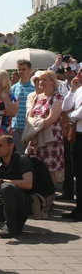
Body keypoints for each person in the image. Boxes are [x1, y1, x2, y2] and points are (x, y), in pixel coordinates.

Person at [26, 70, 65, 185]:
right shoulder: (37, 97)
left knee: (50, 171)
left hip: (50, 139)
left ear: (53, 82)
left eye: (44, 79)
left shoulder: (58, 97)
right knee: (34, 167)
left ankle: (49, 199)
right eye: (40, 79)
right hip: (36, 138)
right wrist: (35, 128)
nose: (41, 82)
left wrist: (36, 126)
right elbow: (29, 116)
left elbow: (52, 118)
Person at [62, 70, 82, 220]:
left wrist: (71, 117)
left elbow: (77, 113)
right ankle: (79, 208)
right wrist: (73, 89)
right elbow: (66, 105)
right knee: (78, 172)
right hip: (77, 134)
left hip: (78, 131)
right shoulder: (79, 89)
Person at [0, 70, 18, 155]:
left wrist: (5, 97)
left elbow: (12, 113)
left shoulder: (11, 96)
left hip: (3, 134)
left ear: (1, 81)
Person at [10, 60, 36, 154]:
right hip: (16, 128)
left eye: (23, 69)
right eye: (19, 69)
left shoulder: (35, 88)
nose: (21, 71)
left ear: (30, 70)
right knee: (20, 156)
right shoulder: (13, 88)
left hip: (30, 127)